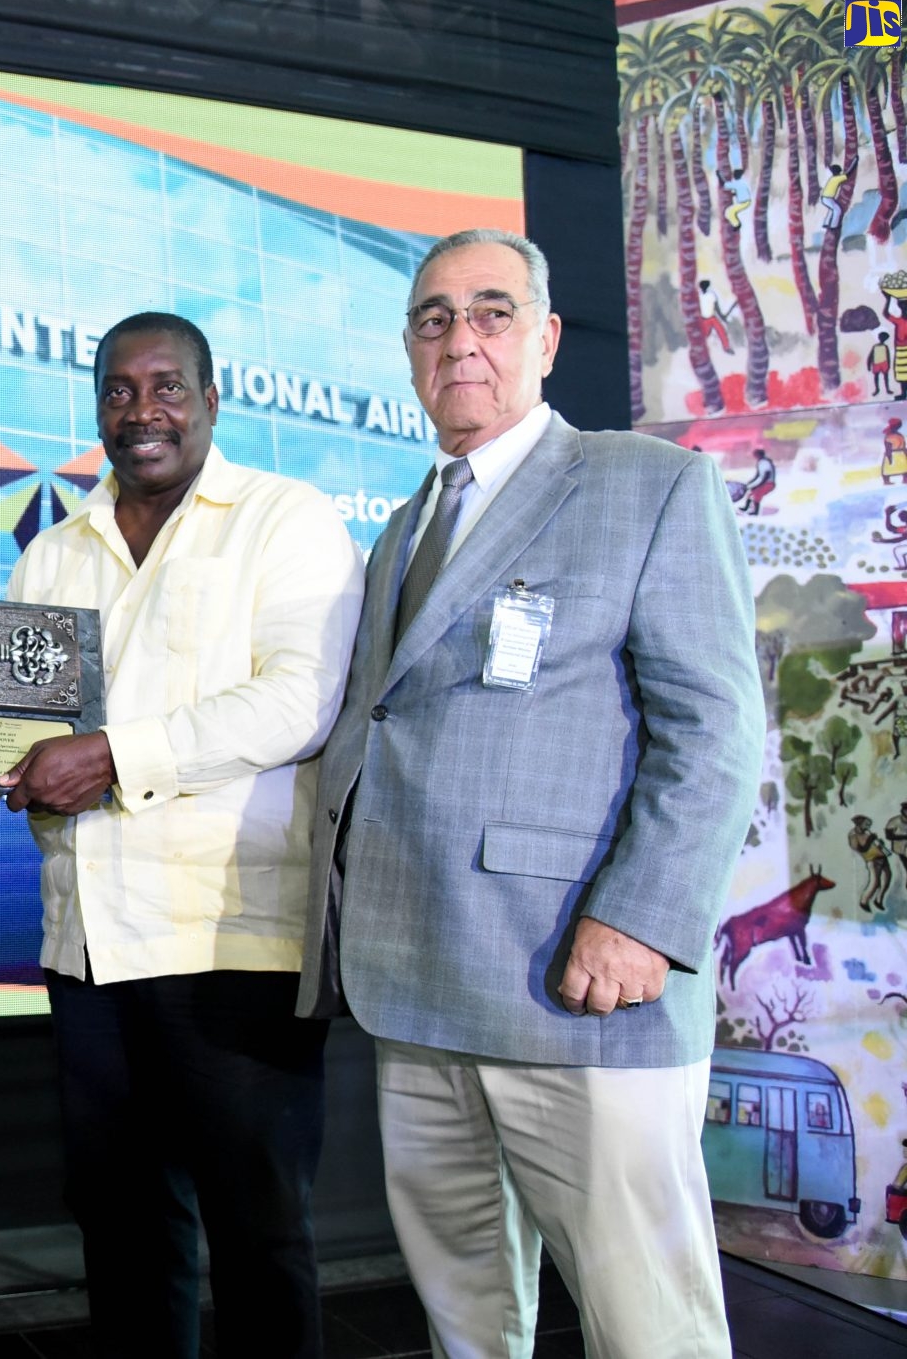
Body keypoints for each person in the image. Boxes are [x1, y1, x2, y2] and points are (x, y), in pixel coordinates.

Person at [299, 229, 764, 1359]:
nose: (459, 338)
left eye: (490, 311)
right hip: (414, 992)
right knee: (466, 1322)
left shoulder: (646, 483)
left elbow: (714, 729)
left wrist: (639, 918)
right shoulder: (401, 530)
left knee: (647, 1328)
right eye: (432, 318)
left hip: (579, 988)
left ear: (546, 338)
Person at [0, 311, 364, 1358]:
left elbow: (298, 701)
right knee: (121, 1235)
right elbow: (22, 735)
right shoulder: (53, 554)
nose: (141, 411)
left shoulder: (282, 519)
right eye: (118, 391)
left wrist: (113, 754)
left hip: (231, 944)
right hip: (87, 949)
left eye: (166, 387)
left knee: (259, 1236)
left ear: (211, 400)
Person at [852, 815, 892, 913]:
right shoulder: (853, 835)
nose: (868, 827)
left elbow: (873, 844)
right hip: (873, 860)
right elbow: (861, 848)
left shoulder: (866, 833)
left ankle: (879, 899)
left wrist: (879, 843)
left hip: (882, 857)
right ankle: (864, 901)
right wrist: (870, 840)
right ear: (859, 824)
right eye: (866, 824)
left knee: (887, 878)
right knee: (875, 882)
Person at [697, 279, 733, 355]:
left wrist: (722, 317)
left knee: (721, 331)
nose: (704, 288)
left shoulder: (711, 295)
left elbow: (716, 308)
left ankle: (726, 348)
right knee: (704, 334)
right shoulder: (698, 296)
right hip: (703, 319)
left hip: (712, 318)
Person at [738, 445, 775, 515]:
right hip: (764, 482)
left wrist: (758, 485)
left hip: (768, 483)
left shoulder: (764, 462)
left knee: (757, 494)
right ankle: (746, 508)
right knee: (750, 493)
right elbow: (758, 475)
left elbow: (766, 475)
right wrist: (751, 482)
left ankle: (756, 512)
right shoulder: (760, 462)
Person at [873, 332, 896, 398]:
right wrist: (869, 364)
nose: (882, 339)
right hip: (876, 363)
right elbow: (871, 355)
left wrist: (888, 365)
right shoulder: (875, 346)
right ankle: (877, 389)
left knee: (885, 378)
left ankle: (887, 389)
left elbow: (888, 356)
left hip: (884, 363)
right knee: (876, 377)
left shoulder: (885, 347)